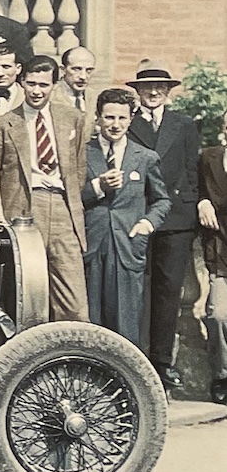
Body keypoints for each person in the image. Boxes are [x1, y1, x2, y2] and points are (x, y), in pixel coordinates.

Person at [0, 55, 89, 323]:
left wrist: (69, 205)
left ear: (55, 84)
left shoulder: (73, 118)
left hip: (63, 210)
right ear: (21, 82)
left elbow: (78, 169)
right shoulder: (3, 125)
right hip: (24, 211)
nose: (37, 91)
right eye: (31, 84)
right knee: (28, 298)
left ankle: (72, 356)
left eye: (44, 85)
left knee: (74, 299)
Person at [127, 59, 202, 390]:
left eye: (160, 87)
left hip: (175, 218)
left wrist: (195, 204)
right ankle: (135, 358)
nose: (154, 92)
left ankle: (161, 363)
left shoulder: (183, 124)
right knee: (137, 288)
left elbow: (191, 169)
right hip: (138, 215)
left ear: (169, 91)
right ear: (138, 91)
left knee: (169, 290)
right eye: (147, 87)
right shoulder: (126, 123)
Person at [81, 87, 170, 345]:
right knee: (89, 320)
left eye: (122, 118)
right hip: (92, 244)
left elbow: (162, 199)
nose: (115, 124)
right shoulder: (82, 154)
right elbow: (71, 197)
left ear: (131, 118)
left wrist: (147, 223)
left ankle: (123, 382)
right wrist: (97, 187)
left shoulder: (145, 158)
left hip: (128, 247)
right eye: (109, 117)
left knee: (126, 322)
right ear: (98, 117)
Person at [197, 108, 227, 404]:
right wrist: (203, 201)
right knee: (218, 315)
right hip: (220, 252)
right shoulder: (210, 158)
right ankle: (221, 376)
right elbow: (195, 188)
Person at [55, 46, 97, 114]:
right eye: (76, 69)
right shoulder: (50, 96)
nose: (83, 76)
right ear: (63, 70)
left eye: (89, 70)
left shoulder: (95, 98)